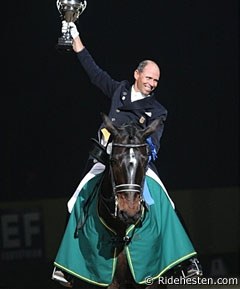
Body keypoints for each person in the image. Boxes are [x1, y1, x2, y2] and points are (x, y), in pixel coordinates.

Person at [52, 21, 202, 287]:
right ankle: (66, 266)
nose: (152, 83)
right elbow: (94, 72)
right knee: (75, 200)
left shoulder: (158, 110)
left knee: (167, 201)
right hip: (104, 157)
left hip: (137, 162)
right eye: (149, 78)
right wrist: (74, 35)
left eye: (156, 80)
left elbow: (154, 143)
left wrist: (140, 149)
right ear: (137, 74)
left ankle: (187, 262)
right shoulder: (119, 90)